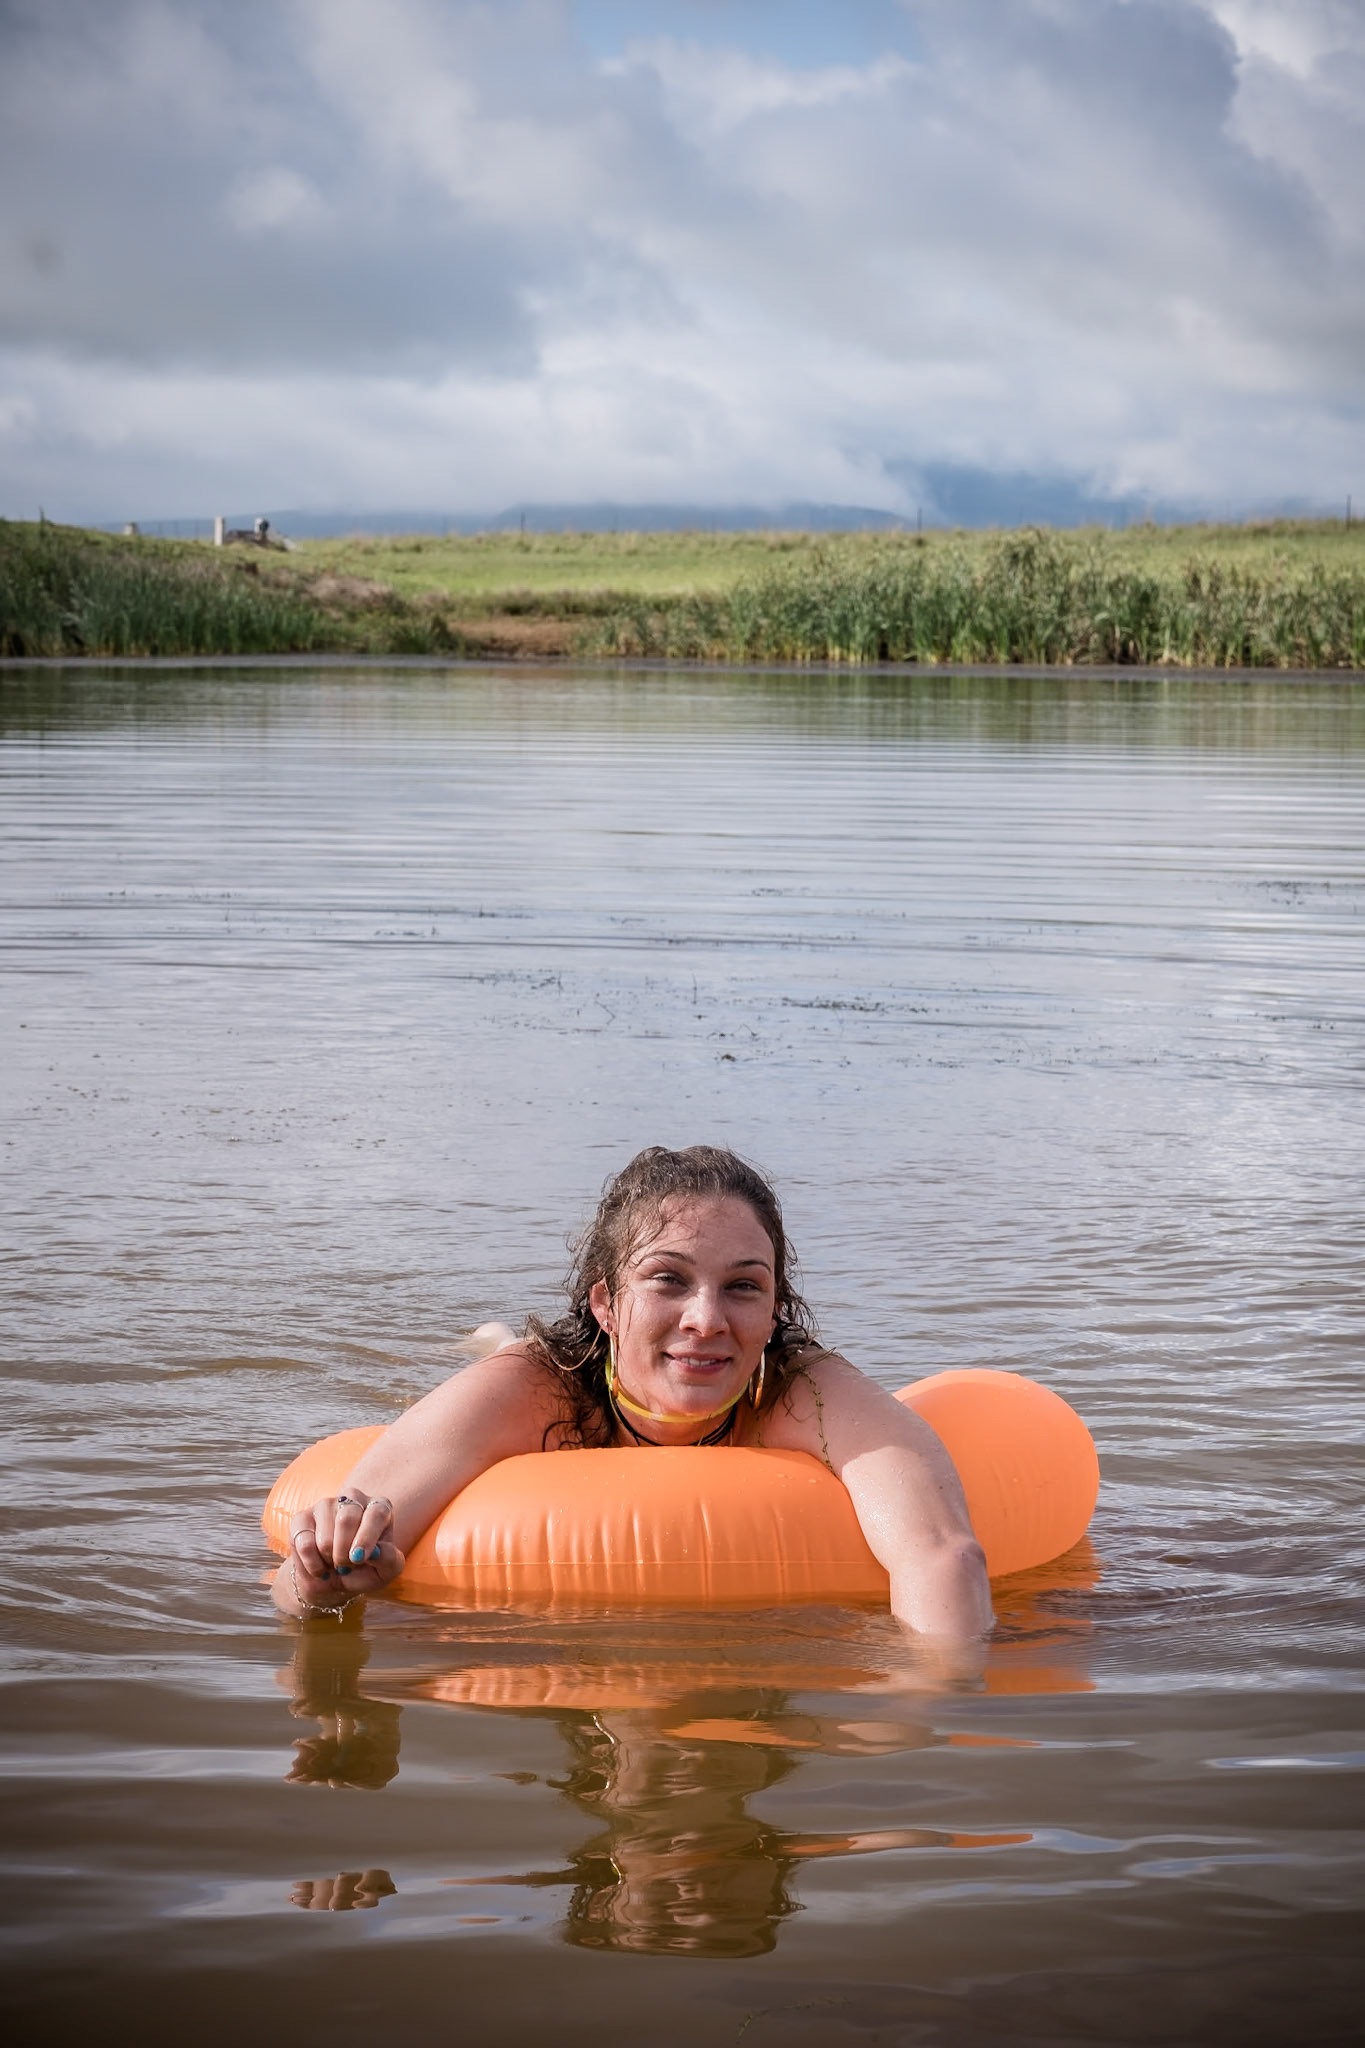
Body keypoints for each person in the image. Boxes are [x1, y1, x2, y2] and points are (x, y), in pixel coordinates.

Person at [276, 1145, 992, 1639]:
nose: (707, 1320)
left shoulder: (806, 1391)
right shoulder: (532, 1391)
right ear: (606, 1304)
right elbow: (315, 1555)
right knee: (503, 1350)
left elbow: (942, 1556)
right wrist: (324, 1585)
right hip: (550, 1372)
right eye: (668, 1279)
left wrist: (920, 1724)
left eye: (743, 1286)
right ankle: (491, 1335)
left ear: (775, 1310)